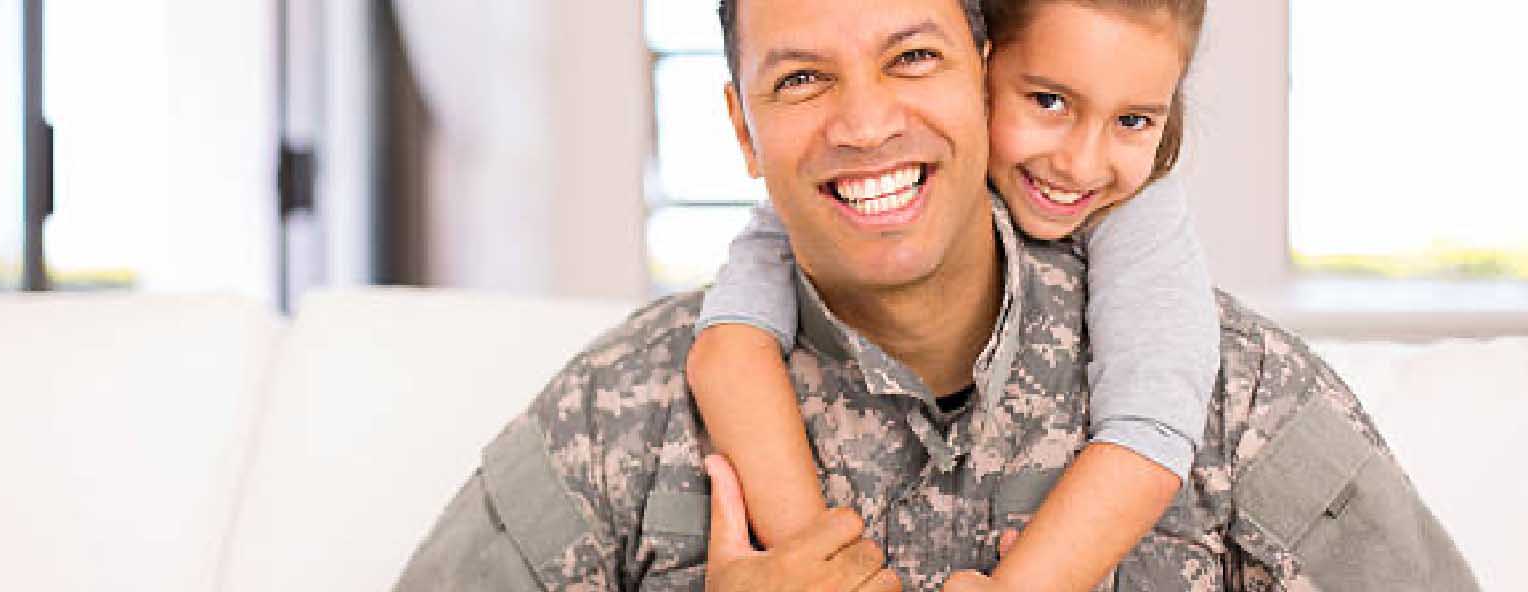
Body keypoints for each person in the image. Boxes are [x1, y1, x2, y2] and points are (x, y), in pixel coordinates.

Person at [392, 0, 1478, 589]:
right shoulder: (612, 422)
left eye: (910, 57)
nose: (864, 125)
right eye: (802, 78)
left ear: (983, 65)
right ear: (740, 129)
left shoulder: (1233, 399)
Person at [689, 0, 1214, 587]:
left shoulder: (1142, 210)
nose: (1081, 163)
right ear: (986, 80)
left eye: (1136, 120)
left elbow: (1154, 425)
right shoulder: (809, 209)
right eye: (1046, 101)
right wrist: (817, 567)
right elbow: (727, 353)